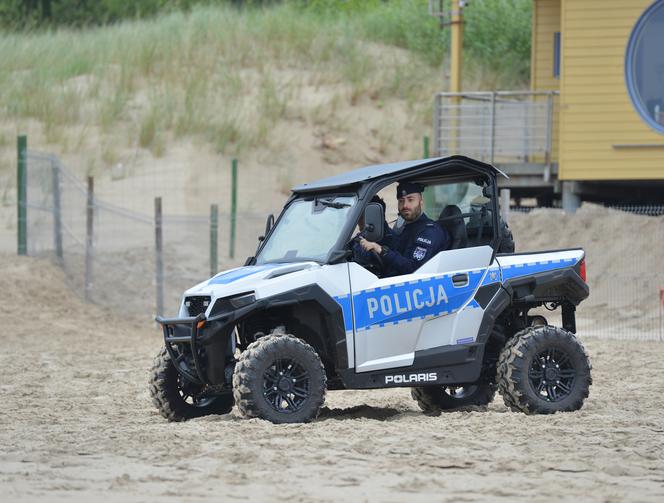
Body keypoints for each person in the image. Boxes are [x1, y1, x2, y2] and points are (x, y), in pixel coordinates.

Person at [360, 181, 449, 277]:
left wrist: (380, 249)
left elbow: (413, 269)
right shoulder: (408, 227)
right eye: (401, 201)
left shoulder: (429, 232)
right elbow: (394, 245)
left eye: (410, 200)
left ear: (421, 203)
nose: (405, 205)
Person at [351, 195, 395, 267]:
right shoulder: (363, 235)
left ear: (373, 217)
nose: (358, 220)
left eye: (362, 215)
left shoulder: (389, 240)